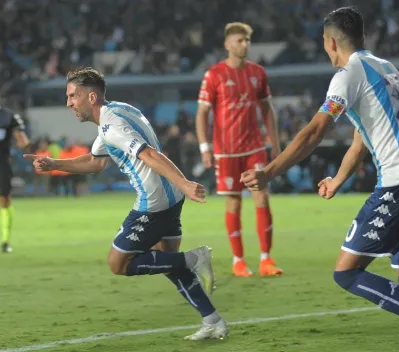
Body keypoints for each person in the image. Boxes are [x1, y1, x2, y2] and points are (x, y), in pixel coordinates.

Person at [241, 7, 399, 351]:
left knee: (346, 272)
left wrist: (269, 172)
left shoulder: (349, 74)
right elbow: (361, 140)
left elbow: (316, 130)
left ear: (331, 41)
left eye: (323, 42)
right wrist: (337, 181)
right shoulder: (386, 68)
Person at [24, 67, 229, 340]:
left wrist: (185, 183)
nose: (69, 103)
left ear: (92, 97)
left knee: (118, 263)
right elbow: (96, 161)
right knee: (168, 262)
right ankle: (213, 321)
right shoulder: (118, 111)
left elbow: (150, 154)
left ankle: (195, 257)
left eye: (73, 96)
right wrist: (55, 164)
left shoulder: (111, 126)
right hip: (171, 199)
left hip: (153, 201)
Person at [196, 22, 282, 277]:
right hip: (226, 151)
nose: (245, 44)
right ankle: (239, 261)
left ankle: (266, 259)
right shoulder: (214, 75)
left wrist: (275, 145)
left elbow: (267, 109)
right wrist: (205, 147)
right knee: (233, 204)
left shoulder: (258, 73)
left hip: (254, 147)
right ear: (228, 44)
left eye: (247, 40)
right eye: (240, 40)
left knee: (262, 197)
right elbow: (202, 113)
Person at [0, 106, 30, 253]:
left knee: (5, 200)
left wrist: (23, 143)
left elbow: (23, 141)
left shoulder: (8, 116)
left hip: (2, 164)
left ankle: (5, 241)